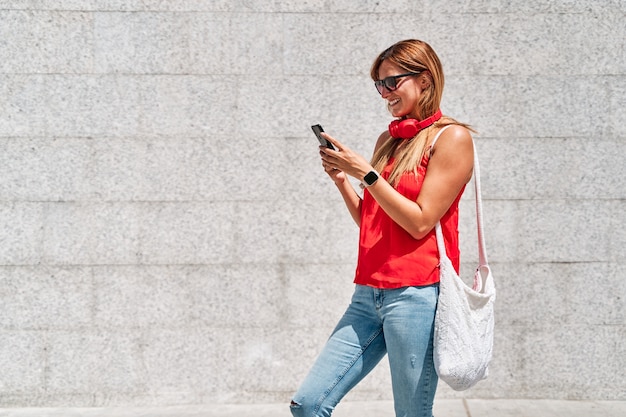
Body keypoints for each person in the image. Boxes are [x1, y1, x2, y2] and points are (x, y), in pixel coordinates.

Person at [290, 39, 475, 417]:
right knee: (308, 405)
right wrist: (344, 180)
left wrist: (368, 174)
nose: (384, 93)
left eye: (392, 82)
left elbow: (421, 221)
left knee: (411, 413)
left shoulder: (452, 138)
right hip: (367, 294)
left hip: (417, 294)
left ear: (424, 80)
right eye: (379, 85)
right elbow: (372, 223)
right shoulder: (389, 140)